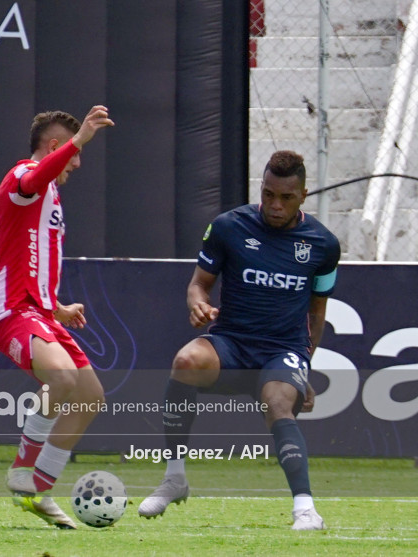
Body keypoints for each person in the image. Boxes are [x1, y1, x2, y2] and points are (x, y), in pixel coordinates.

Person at [138, 151, 339, 530]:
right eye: (268, 195)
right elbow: (199, 284)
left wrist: (302, 367)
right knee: (185, 361)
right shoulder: (229, 227)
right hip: (231, 343)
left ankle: (305, 509)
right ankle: (175, 478)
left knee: (279, 400)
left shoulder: (324, 245)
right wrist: (198, 304)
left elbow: (316, 313)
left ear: (304, 196)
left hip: (282, 351)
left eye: (286, 198)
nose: (275, 206)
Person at [0, 106, 114, 528]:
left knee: (91, 395)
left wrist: (57, 307)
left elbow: (27, 258)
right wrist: (80, 138)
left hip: (39, 311)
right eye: (74, 154)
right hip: (9, 310)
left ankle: (39, 488)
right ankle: (21, 471)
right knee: (61, 377)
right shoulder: (23, 177)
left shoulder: (51, 196)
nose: (77, 163)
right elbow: (33, 178)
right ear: (56, 146)